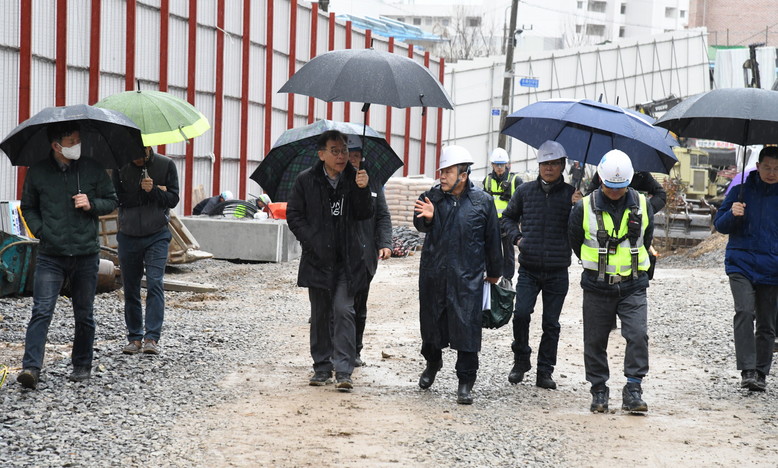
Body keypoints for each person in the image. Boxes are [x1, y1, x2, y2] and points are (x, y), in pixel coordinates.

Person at [16, 122, 119, 389]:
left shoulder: (92, 169)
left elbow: (112, 200)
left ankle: (82, 365)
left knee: (84, 313)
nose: (77, 145)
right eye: (72, 141)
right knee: (41, 310)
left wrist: (91, 204)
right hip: (51, 255)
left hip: (86, 254)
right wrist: (42, 232)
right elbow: (28, 207)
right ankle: (31, 368)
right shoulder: (38, 172)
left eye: (78, 140)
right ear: (56, 145)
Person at [414, 145, 502, 405]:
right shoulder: (431, 197)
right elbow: (419, 223)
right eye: (441, 171)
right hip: (434, 275)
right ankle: (433, 363)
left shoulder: (482, 202)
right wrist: (429, 219)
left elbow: (492, 239)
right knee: (431, 327)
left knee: (467, 330)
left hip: (467, 278)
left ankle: (465, 381)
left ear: (463, 175)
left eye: (448, 171)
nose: (442, 176)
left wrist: (495, 272)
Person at [568, 149, 654, 413]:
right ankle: (599, 389)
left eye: (620, 187)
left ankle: (633, 389)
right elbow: (576, 242)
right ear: (601, 180)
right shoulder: (583, 207)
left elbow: (646, 240)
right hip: (597, 286)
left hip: (632, 284)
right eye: (610, 186)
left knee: (637, 335)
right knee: (594, 340)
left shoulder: (643, 204)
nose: (615, 191)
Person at [286, 130, 373, 392]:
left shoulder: (355, 178)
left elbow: (364, 214)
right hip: (318, 259)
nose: (342, 156)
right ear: (321, 154)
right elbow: (294, 215)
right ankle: (322, 366)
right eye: (335, 151)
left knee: (344, 310)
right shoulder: (306, 180)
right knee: (320, 314)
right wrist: (311, 241)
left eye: (344, 150)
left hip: (347, 260)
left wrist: (363, 189)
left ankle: (344, 370)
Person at [501, 140, 582, 389]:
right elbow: (507, 218)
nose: (549, 168)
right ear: (538, 165)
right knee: (520, 314)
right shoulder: (525, 192)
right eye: (544, 163)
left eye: (554, 163)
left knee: (551, 324)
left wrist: (578, 207)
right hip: (529, 268)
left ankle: (545, 371)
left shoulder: (572, 195)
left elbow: (582, 230)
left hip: (557, 270)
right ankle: (521, 360)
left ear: (562, 166)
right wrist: (518, 239)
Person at [713, 146, 778, 392]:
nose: (771, 173)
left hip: (772, 267)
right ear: (758, 166)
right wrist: (733, 213)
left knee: (767, 323)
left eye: (777, 169)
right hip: (741, 263)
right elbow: (720, 225)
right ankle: (747, 370)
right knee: (744, 311)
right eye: (767, 167)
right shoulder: (741, 191)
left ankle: (761, 372)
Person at [113, 146, 180, 356]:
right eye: (132, 156)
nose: (136, 160)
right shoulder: (120, 167)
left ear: (148, 148)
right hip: (128, 235)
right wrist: (141, 192)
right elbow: (115, 199)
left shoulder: (166, 165)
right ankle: (134, 337)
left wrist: (155, 191)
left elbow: (173, 199)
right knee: (131, 287)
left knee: (154, 283)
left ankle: (152, 337)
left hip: (157, 234)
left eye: (140, 155)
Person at [347, 136, 392, 367]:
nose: (353, 160)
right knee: (340, 307)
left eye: (357, 156)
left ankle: (356, 350)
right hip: (342, 254)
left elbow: (382, 215)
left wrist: (385, 243)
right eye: (349, 155)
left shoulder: (374, 181)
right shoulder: (335, 182)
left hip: (365, 256)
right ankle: (336, 351)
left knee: (359, 307)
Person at [482, 147, 523, 283]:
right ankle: (492, 276)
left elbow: (522, 202)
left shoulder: (515, 180)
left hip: (509, 221)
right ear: (492, 165)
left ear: (506, 164)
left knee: (508, 252)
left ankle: (507, 279)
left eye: (501, 164)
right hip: (492, 221)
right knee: (491, 250)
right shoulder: (487, 180)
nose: (499, 168)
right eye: (496, 164)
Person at [586, 170, 666, 214]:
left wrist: (644, 211)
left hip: (633, 227)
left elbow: (661, 195)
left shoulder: (640, 173)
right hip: (603, 224)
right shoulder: (604, 171)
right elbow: (589, 198)